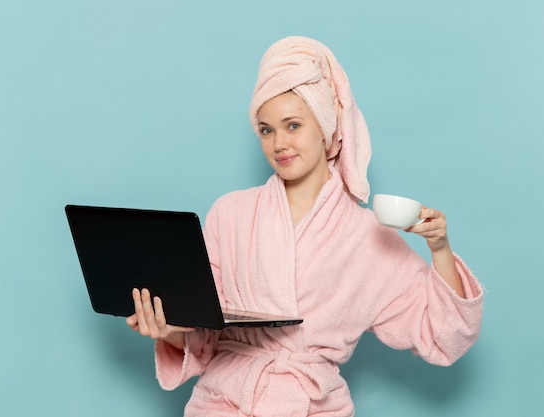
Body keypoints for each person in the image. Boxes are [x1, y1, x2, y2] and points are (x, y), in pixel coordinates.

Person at [126, 36, 483, 417]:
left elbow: (444, 334)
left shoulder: (368, 235)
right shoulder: (229, 214)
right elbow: (205, 334)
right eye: (266, 130)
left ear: (325, 127)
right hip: (224, 402)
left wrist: (440, 247)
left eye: (293, 125)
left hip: (313, 405)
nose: (279, 143)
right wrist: (170, 332)